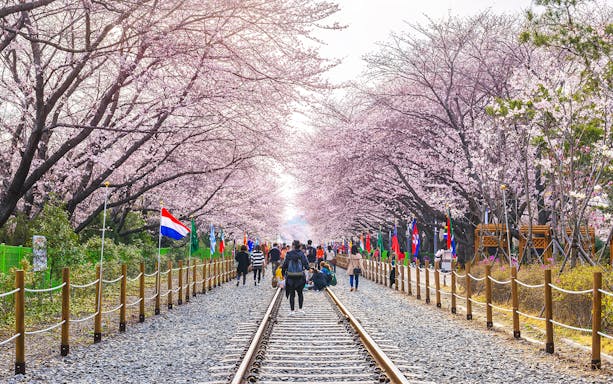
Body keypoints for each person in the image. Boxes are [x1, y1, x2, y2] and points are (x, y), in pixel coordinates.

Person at [281, 240, 309, 315]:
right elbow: (306, 265)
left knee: (292, 294)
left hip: (290, 277)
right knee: (300, 293)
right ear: (299, 246)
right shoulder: (302, 254)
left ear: (293, 246)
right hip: (300, 277)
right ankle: (300, 309)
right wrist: (308, 268)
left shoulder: (289, 254)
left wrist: (283, 273)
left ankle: (292, 311)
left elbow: (285, 265)